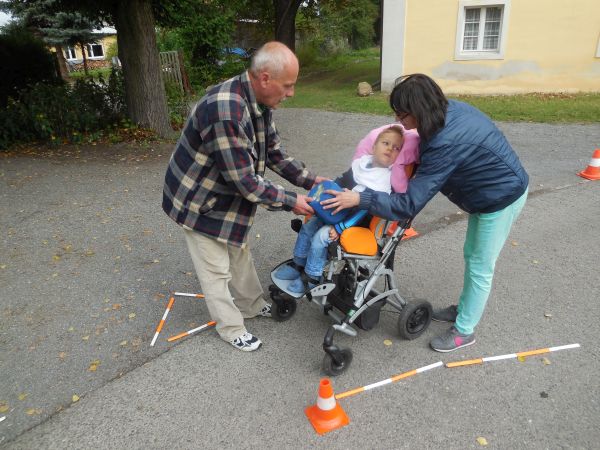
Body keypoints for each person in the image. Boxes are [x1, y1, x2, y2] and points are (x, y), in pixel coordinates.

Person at [321, 73, 529, 353]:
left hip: (501, 196)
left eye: (401, 114)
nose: (399, 121)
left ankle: (464, 331)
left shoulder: (446, 141)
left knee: (480, 265)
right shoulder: (444, 113)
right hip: (485, 193)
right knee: (472, 254)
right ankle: (465, 309)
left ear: (418, 109)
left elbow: (409, 203)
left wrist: (362, 198)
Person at [162, 42, 327, 352]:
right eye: (288, 85)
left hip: (226, 192)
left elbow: (274, 152)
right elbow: (247, 183)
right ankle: (231, 327)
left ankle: (251, 305)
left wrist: (310, 179)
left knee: (239, 248)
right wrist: (293, 200)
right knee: (215, 270)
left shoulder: (260, 103)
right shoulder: (226, 110)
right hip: (198, 200)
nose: (291, 93)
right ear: (265, 78)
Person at [275, 126, 405, 293]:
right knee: (308, 227)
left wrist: (340, 228)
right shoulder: (361, 165)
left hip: (355, 222)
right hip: (335, 210)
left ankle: (312, 276)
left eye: (396, 148)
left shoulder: (384, 181)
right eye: (386, 143)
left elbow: (365, 210)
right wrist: (322, 197)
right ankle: (298, 264)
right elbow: (341, 182)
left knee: (321, 237)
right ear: (373, 147)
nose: (390, 149)